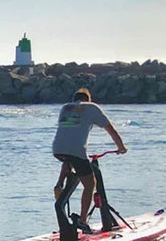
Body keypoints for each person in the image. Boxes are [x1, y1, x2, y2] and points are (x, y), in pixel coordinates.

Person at [52, 88, 127, 228]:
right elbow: (111, 130)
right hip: (76, 151)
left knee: (70, 161)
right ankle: (83, 221)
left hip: (57, 149)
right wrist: (121, 147)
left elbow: (69, 131)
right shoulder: (91, 107)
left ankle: (60, 183)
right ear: (89, 99)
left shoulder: (66, 107)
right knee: (90, 184)